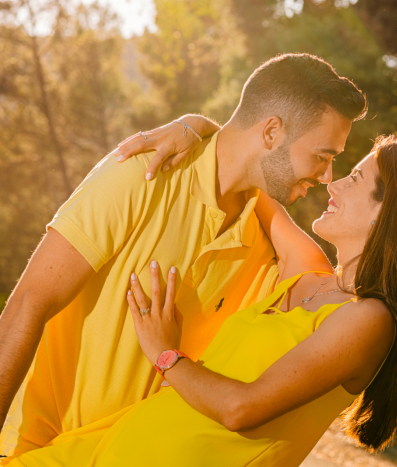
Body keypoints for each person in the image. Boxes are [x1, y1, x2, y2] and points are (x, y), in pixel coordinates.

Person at [0, 127, 397, 466]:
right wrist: (192, 126)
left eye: (356, 180)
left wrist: (166, 354)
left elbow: (242, 408)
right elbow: (245, 165)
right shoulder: (309, 274)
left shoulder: (369, 321)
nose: (333, 181)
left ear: (386, 217)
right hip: (101, 448)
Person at [0, 53, 367, 457]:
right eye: (322, 155)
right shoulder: (144, 174)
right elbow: (26, 306)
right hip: (34, 450)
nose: (328, 175)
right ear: (271, 132)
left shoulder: (269, 252)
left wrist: (200, 125)